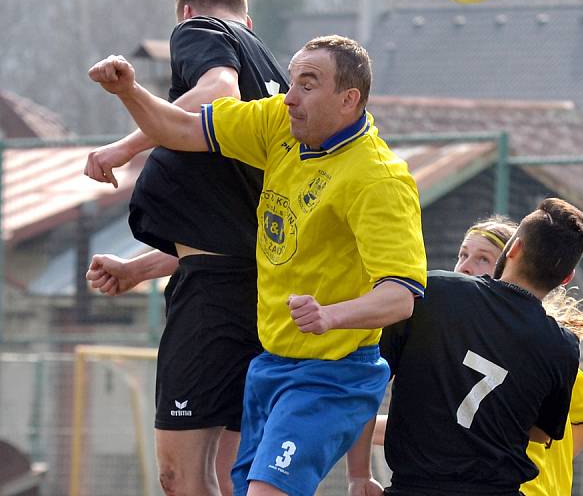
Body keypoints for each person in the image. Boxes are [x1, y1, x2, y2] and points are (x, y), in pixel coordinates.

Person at [86, 34, 427, 496]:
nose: (290, 97)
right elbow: (181, 130)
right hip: (271, 365)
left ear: (349, 99)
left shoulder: (378, 180)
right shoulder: (279, 123)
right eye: (291, 81)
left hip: (334, 373)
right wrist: (129, 91)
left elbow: (401, 296)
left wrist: (331, 316)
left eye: (308, 85)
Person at [83, 0, 289, 496]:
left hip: (214, 300)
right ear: (249, 18)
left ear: (187, 12)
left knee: (180, 475)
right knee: (236, 475)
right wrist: (135, 269)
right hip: (263, 289)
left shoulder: (204, 30)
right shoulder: (278, 81)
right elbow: (226, 232)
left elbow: (215, 92)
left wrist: (123, 146)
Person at [363, 198, 583, 495]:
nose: (467, 266)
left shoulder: (430, 294)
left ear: (513, 248)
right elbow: (539, 433)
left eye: (481, 258)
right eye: (464, 255)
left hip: (414, 485)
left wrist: (360, 473)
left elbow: (366, 381)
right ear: (566, 278)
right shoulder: (562, 347)